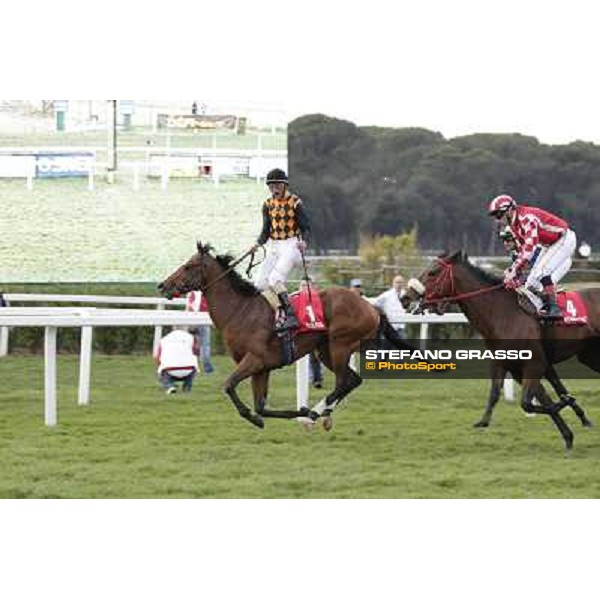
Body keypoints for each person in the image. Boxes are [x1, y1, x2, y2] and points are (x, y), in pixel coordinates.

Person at [487, 194, 576, 319]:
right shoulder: (513, 226)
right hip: (549, 244)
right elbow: (521, 252)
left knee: (543, 272)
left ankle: (555, 308)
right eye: (495, 216)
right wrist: (514, 274)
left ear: (509, 210)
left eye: (498, 215)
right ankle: (543, 307)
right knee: (531, 283)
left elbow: (529, 249)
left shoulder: (527, 218)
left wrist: (513, 271)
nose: (497, 219)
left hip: (564, 239)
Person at [252, 168, 311, 331]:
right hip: (274, 245)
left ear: (284, 185)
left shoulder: (296, 202)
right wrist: (257, 244)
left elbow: (306, 227)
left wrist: (304, 241)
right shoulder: (267, 204)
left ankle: (291, 315)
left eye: (277, 185)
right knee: (260, 283)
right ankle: (280, 311)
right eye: (271, 186)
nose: (274, 189)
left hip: (292, 244)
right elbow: (266, 230)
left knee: (275, 279)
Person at [153, 326, 199, 394]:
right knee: (194, 366)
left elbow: (158, 358)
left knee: (162, 371)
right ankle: (187, 387)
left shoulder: (163, 339)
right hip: (189, 370)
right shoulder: (191, 337)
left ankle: (169, 386)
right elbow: (196, 351)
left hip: (170, 370)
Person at [300, 278, 323, 388]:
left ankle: (316, 379)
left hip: (316, 331)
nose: (304, 288)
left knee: (316, 357)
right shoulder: (295, 298)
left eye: (307, 285)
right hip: (302, 332)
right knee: (311, 357)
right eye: (303, 285)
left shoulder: (317, 298)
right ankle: (314, 378)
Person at [185, 290, 215, 374]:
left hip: (191, 319)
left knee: (193, 344)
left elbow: (189, 306)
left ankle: (190, 366)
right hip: (202, 319)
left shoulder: (191, 292)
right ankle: (207, 368)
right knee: (205, 344)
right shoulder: (205, 292)